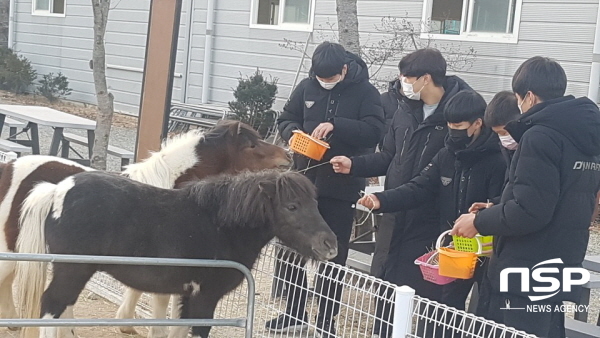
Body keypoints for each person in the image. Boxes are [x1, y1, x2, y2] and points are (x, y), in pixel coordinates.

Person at [452, 56, 600, 338]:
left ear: (529, 97)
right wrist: (498, 207)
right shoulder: (585, 139)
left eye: (519, 98)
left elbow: (530, 210)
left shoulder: (540, 136)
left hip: (525, 267)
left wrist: (479, 221)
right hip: (559, 263)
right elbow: (557, 199)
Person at [357, 90, 506, 336]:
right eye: (448, 125)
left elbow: (500, 204)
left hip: (486, 248)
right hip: (452, 246)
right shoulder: (447, 154)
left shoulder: (497, 160)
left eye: (458, 125)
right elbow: (419, 187)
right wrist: (381, 200)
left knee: (484, 312)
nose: (452, 131)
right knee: (438, 310)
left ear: (478, 123)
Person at [267, 41, 384, 337]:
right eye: (321, 78)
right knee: (290, 248)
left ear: (344, 70)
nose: (325, 83)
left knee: (333, 252)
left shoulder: (366, 93)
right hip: (303, 181)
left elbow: (375, 131)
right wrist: (292, 133)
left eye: (330, 78)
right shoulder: (307, 86)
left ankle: (326, 318)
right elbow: (286, 117)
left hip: (340, 184)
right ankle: (294, 311)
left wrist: (336, 125)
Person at [330, 48, 472, 292]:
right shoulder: (404, 110)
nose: (402, 83)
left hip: (428, 217)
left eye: (407, 78)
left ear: (425, 78)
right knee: (383, 283)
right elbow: (389, 156)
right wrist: (354, 165)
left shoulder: (458, 116)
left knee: (416, 291)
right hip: (392, 211)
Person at [469, 91, 521, 213]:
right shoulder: (507, 150)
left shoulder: (531, 149)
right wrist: (494, 204)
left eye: (504, 132)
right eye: (498, 134)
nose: (503, 138)